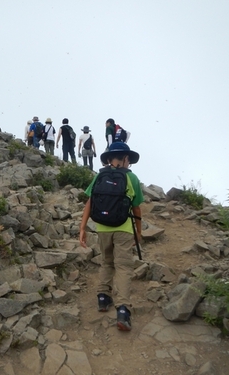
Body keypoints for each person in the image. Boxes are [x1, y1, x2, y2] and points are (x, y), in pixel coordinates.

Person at [79, 141, 144, 332]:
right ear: (125, 159)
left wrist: (82, 228)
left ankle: (103, 298)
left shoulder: (100, 176)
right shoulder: (132, 178)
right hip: (123, 229)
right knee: (123, 267)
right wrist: (138, 232)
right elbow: (137, 207)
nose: (129, 164)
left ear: (108, 159)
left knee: (107, 262)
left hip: (102, 227)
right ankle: (123, 310)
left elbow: (90, 202)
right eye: (128, 160)